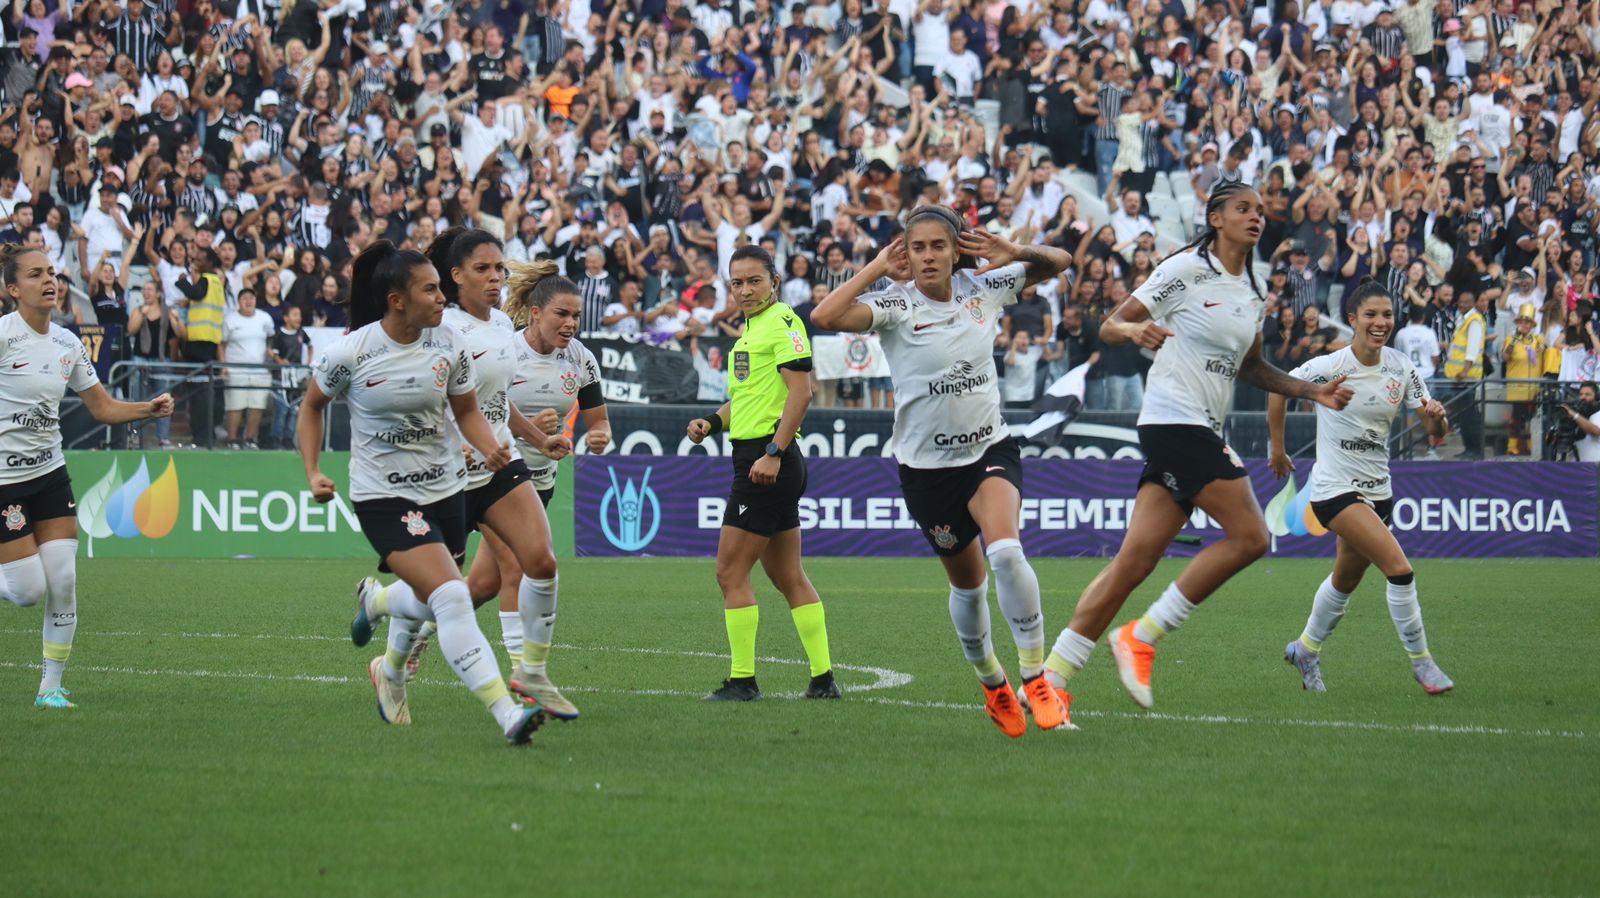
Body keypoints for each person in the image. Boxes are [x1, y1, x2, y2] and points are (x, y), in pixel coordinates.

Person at [1037, 182, 1353, 714]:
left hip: (1195, 426)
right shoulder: (1185, 269)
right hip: (1173, 420)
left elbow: (1251, 367)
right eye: (1243, 209)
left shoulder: (1253, 288)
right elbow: (1112, 325)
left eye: (1259, 210)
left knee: (1131, 564)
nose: (1255, 218)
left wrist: (1311, 389)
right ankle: (1142, 635)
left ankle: (1050, 680)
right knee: (1252, 536)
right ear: (1216, 217)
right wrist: (1137, 332)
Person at [811, 206, 1074, 736]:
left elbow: (1062, 261)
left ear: (958, 251)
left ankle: (1035, 675)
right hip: (927, 471)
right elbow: (825, 317)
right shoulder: (894, 305)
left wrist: (1015, 250)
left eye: (938, 246)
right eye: (917, 248)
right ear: (905, 254)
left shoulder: (985, 288)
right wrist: (875, 268)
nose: (928, 256)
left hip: (988, 451)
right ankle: (993, 682)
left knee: (1005, 551)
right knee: (969, 586)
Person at [295, 240, 543, 745]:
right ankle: (507, 713)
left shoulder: (449, 343)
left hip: (445, 487)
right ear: (397, 300)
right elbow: (312, 407)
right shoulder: (351, 352)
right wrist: (313, 470)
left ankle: (383, 622)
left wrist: (490, 446)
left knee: (434, 600)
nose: (440, 298)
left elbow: (469, 412)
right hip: (383, 496)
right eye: (430, 289)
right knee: (452, 596)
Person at [352, 228, 574, 725]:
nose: (496, 278)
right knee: (441, 594)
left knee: (541, 560)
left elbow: (488, 400)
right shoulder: (435, 326)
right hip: (440, 477)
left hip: (498, 465)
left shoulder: (499, 324)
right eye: (483, 269)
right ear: (454, 276)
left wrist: (536, 442)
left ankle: (531, 672)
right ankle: (388, 650)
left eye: (500, 269)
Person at [0, 245, 174, 708]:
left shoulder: (67, 342)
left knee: (63, 580)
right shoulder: (3, 336)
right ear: (13, 289)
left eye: (53, 272)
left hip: (50, 475)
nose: (50, 280)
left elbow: (100, 406)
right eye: (36, 274)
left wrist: (146, 409)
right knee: (27, 592)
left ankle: (49, 688)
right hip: (5, 484)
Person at [1269, 281, 1454, 694]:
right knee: (1400, 570)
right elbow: (1277, 388)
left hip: (1379, 490)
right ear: (1352, 319)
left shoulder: (1401, 367)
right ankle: (1423, 663)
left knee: (1345, 580)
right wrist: (1278, 450)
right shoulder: (1329, 366)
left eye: (1387, 315)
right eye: (1371, 315)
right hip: (1335, 488)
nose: (1381, 322)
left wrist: (1438, 418)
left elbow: (1435, 429)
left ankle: (1305, 649)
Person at [686, 245, 836, 702]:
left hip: (766, 462)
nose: (745, 290)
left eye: (754, 281)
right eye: (737, 282)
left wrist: (773, 451)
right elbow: (748, 401)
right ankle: (823, 679)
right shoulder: (751, 330)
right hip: (761, 458)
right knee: (788, 575)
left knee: (730, 572)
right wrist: (711, 422)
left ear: (774, 281)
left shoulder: (784, 322)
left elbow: (803, 392)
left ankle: (743, 681)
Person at [220, 289, 275, 449]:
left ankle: (250, 439)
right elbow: (221, 344)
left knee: (257, 406)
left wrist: (269, 351)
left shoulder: (265, 318)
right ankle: (232, 440)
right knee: (235, 406)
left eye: (251, 298)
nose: (248, 301)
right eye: (245, 298)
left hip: (260, 370)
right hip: (235, 369)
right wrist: (223, 365)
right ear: (239, 301)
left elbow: (271, 337)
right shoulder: (230, 320)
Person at [1562, 382, 1600, 463]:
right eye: (1581, 394)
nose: (1583, 397)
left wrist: (1574, 415)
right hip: (1575, 465)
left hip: (1595, 466)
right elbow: (1548, 440)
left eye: (1587, 394)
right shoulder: (1575, 412)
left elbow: (1595, 431)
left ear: (1596, 396)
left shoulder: (1598, 413)